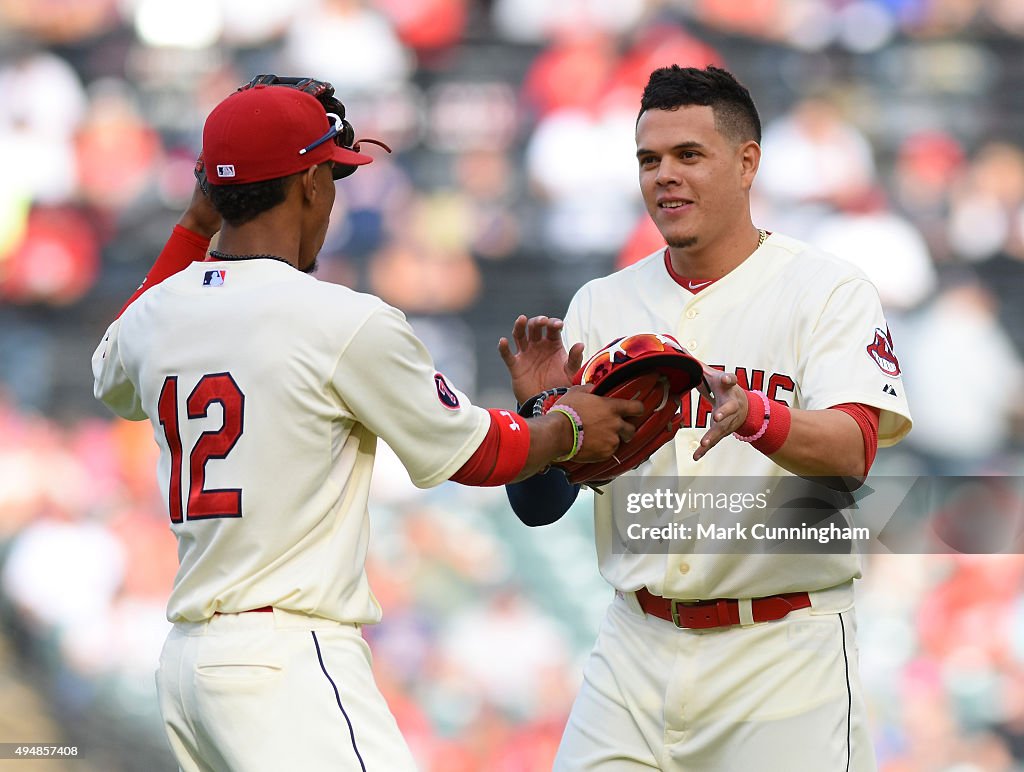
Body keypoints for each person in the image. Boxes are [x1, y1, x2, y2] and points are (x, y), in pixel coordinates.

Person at [92, 83, 643, 771]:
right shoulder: (340, 320)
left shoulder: (155, 314)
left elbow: (112, 377)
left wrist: (194, 224)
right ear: (313, 184)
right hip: (285, 661)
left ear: (211, 194)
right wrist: (565, 425)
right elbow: (479, 454)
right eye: (334, 174)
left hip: (186, 666)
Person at [500, 65, 913, 771]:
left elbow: (853, 450)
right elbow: (540, 509)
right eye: (649, 160)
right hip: (636, 647)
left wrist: (756, 416)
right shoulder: (601, 304)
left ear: (747, 162)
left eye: (689, 155)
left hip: (783, 653)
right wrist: (543, 417)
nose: (665, 175)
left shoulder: (826, 289)